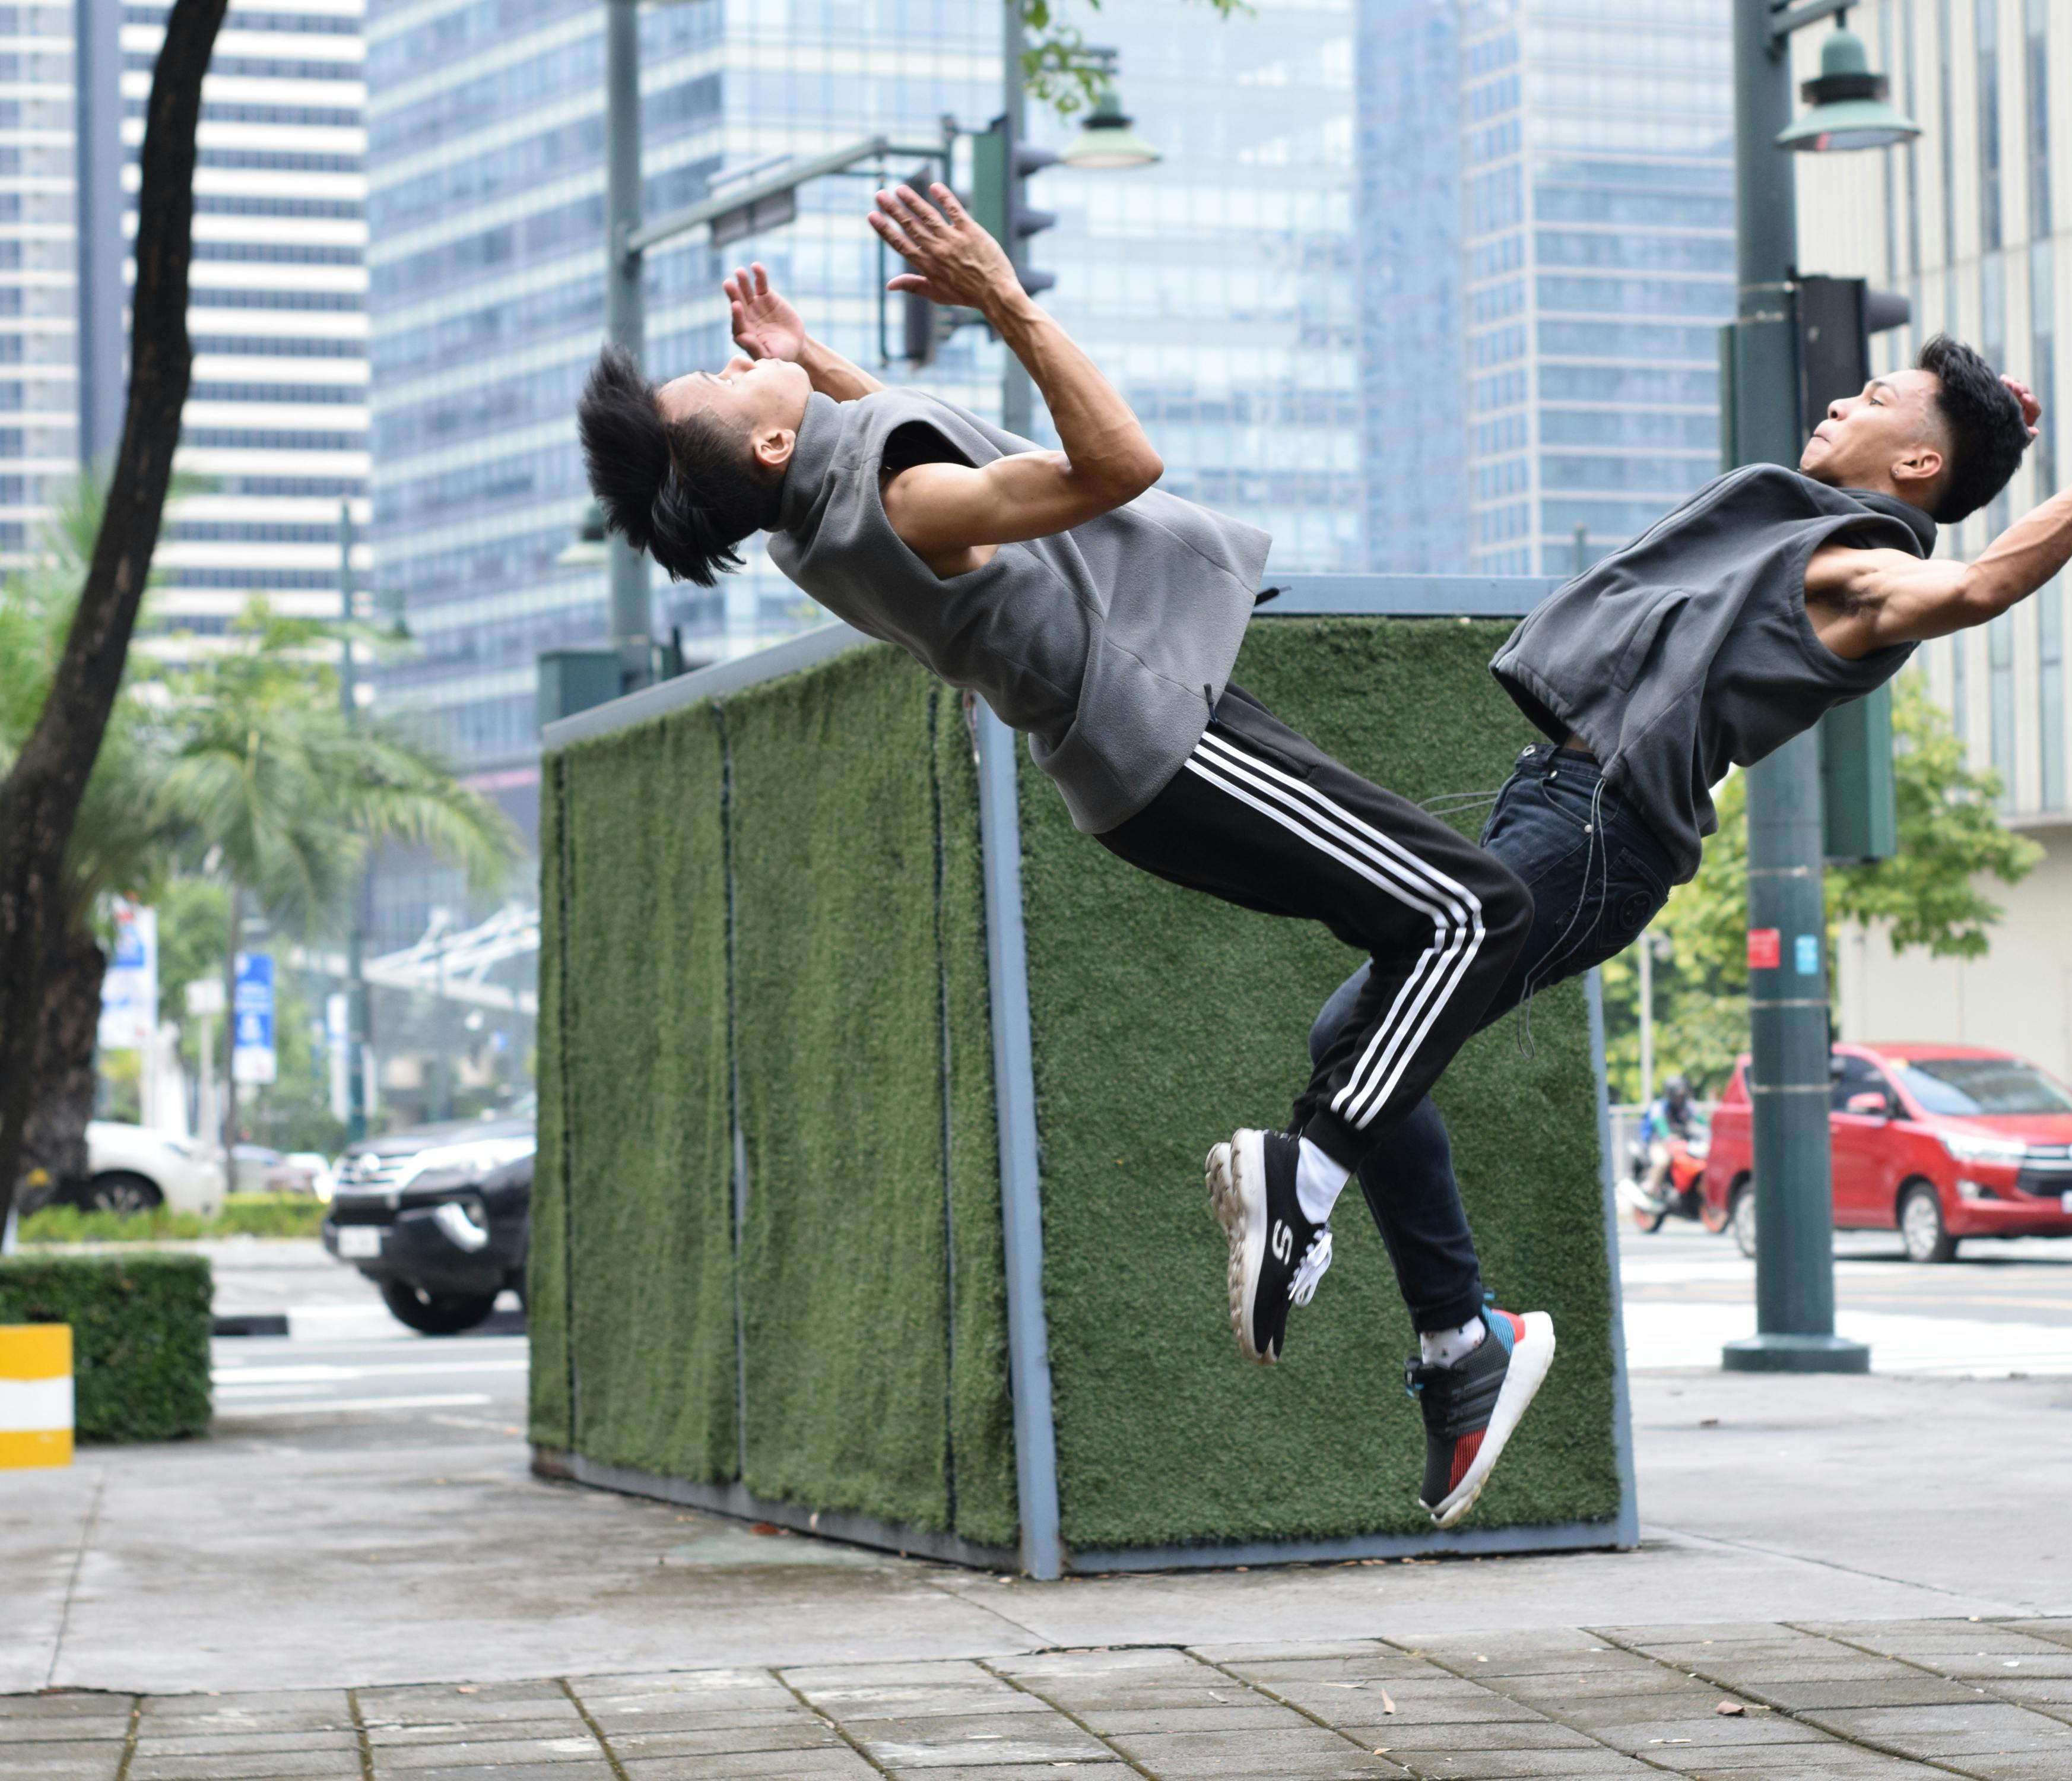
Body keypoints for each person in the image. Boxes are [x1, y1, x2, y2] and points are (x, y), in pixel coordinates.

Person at [573, 184, 1551, 1530]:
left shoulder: (810, 507)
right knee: (1470, 915)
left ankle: (1459, 1341)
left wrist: (807, 353)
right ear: (769, 441)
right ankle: (1303, 1184)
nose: (735, 360)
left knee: (1393, 975)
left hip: (1148, 748)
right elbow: (1115, 468)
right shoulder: (902, 500)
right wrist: (1006, 300)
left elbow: (856, 446)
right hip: (1165, 736)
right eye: (721, 379)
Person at [1308, 337, 2072, 1449]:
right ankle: (1458, 1341)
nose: (1833, 401)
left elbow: (1979, 585)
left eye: (1873, 398)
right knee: (1357, 1035)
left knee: (1359, 1032)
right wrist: (1984, 419)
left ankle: (1451, 1326)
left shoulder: (1864, 563)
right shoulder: (1807, 532)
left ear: (1914, 466)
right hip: (1559, 813)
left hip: (1596, 835)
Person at [1629, 1074, 1703, 1215]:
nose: (1680, 1098)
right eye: (1677, 1095)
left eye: (1683, 1095)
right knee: (1663, 1161)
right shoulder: (1659, 1107)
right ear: (1670, 1094)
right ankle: (1650, 1188)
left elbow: (1702, 1120)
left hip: (1682, 1145)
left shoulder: (1689, 1106)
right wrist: (1668, 1136)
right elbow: (1661, 1125)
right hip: (1658, 1144)